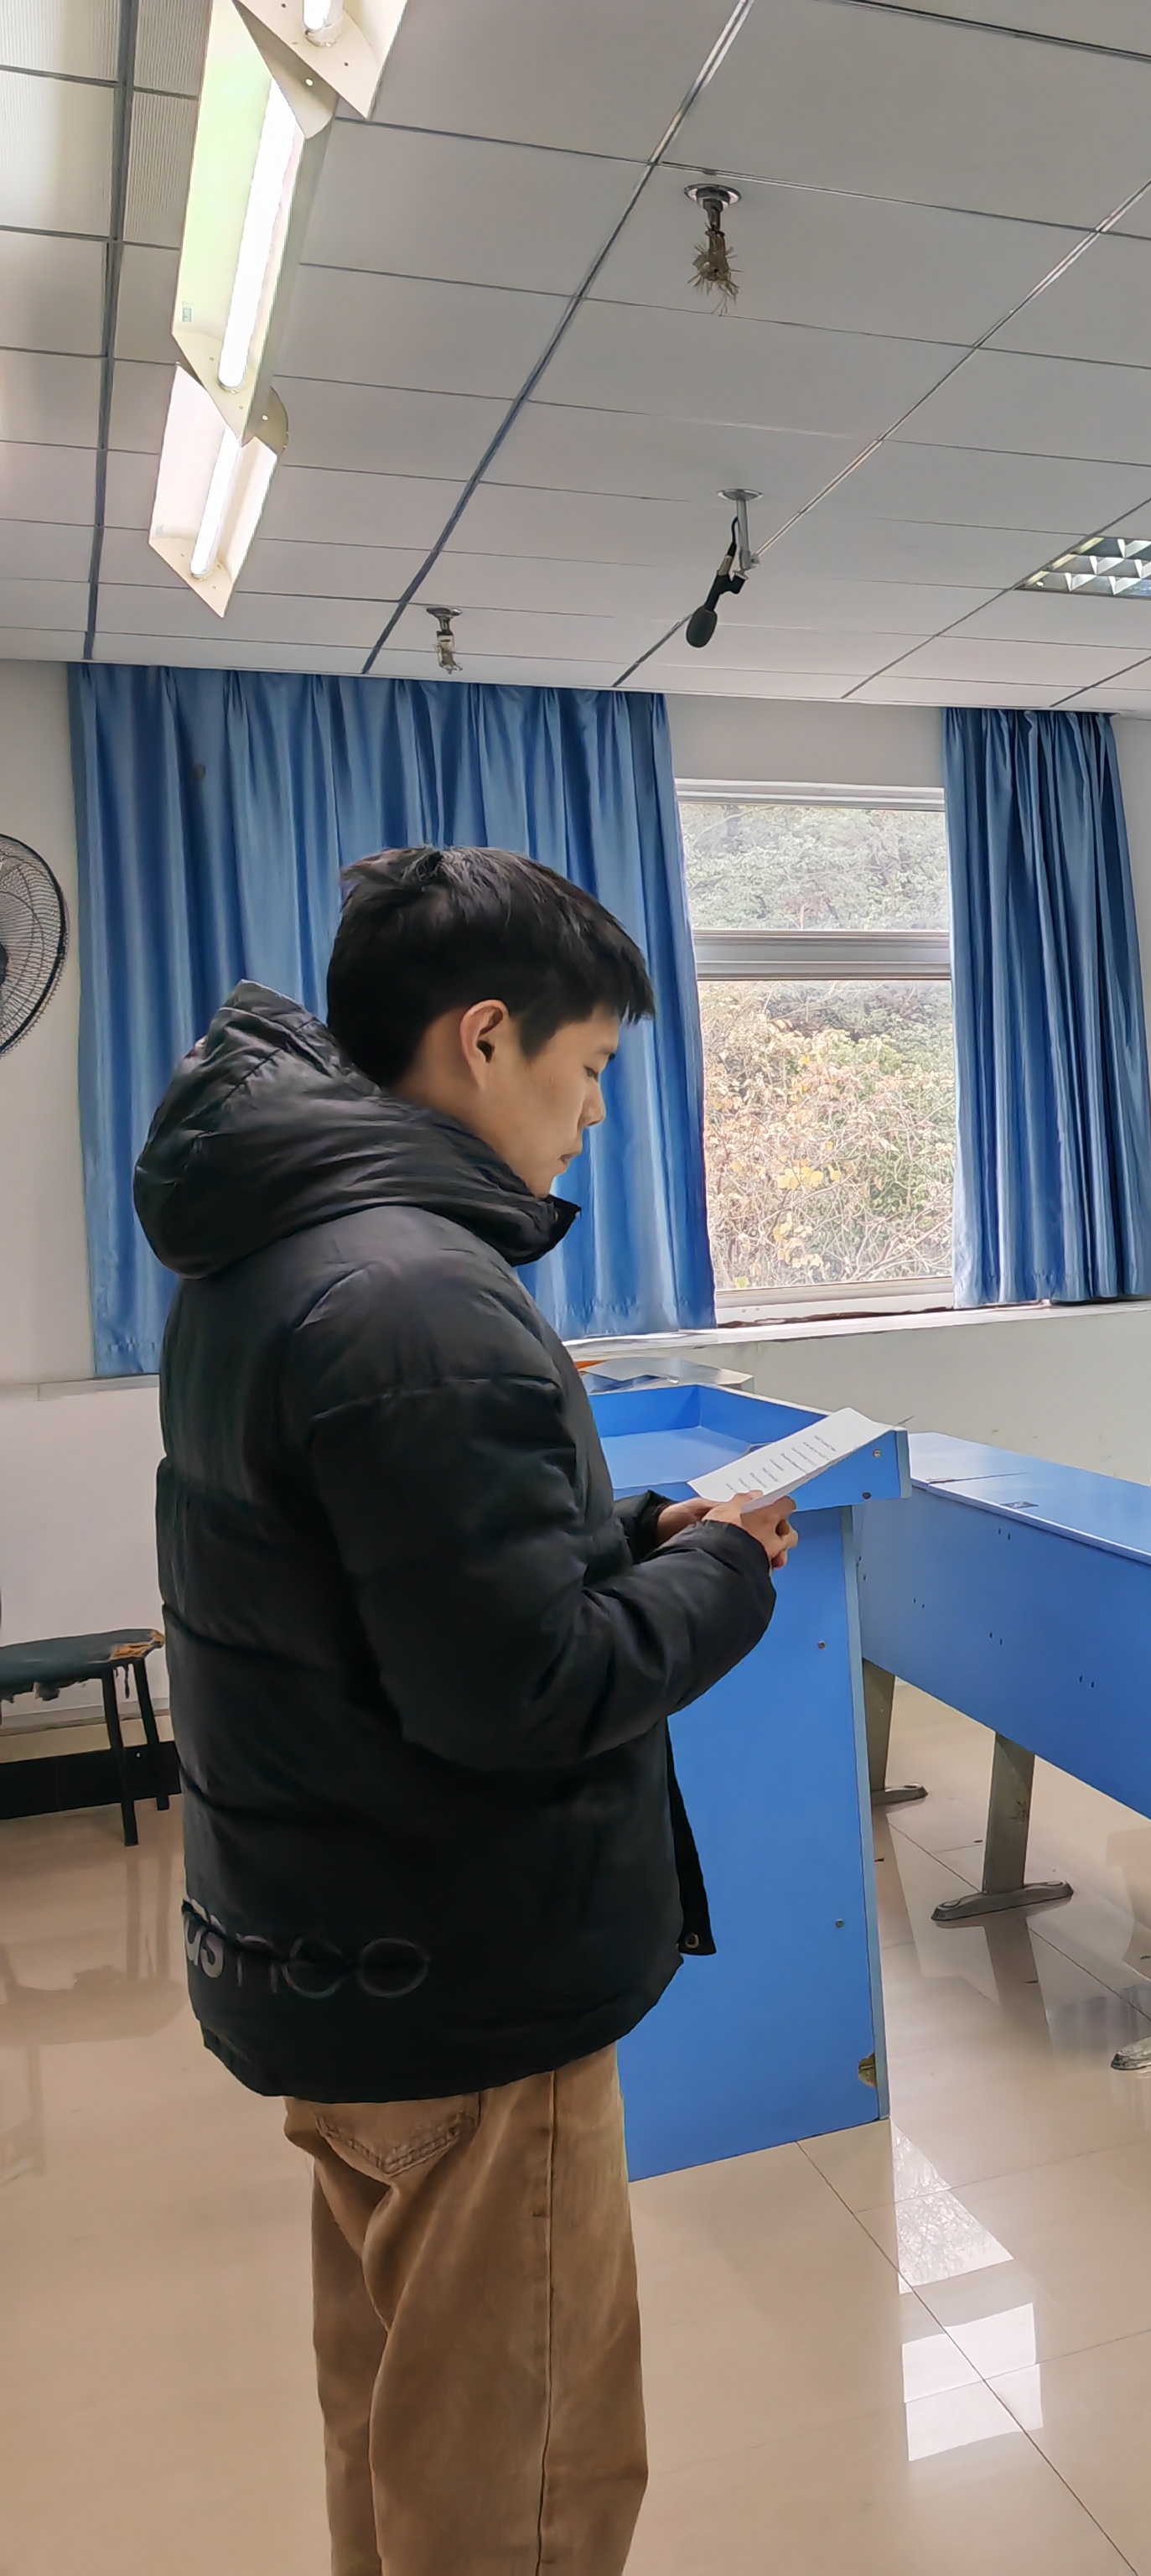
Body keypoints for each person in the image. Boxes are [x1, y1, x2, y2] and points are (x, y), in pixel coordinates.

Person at [137, 847, 796, 2576]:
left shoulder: (271, 1255)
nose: (595, 1115)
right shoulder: (420, 1296)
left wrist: (630, 1536)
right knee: (524, 2485)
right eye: (588, 1068)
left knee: (399, 2431)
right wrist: (726, 1577)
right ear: (485, 1037)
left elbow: (383, 1584)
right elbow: (529, 1688)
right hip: (467, 1972)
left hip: (337, 1946)